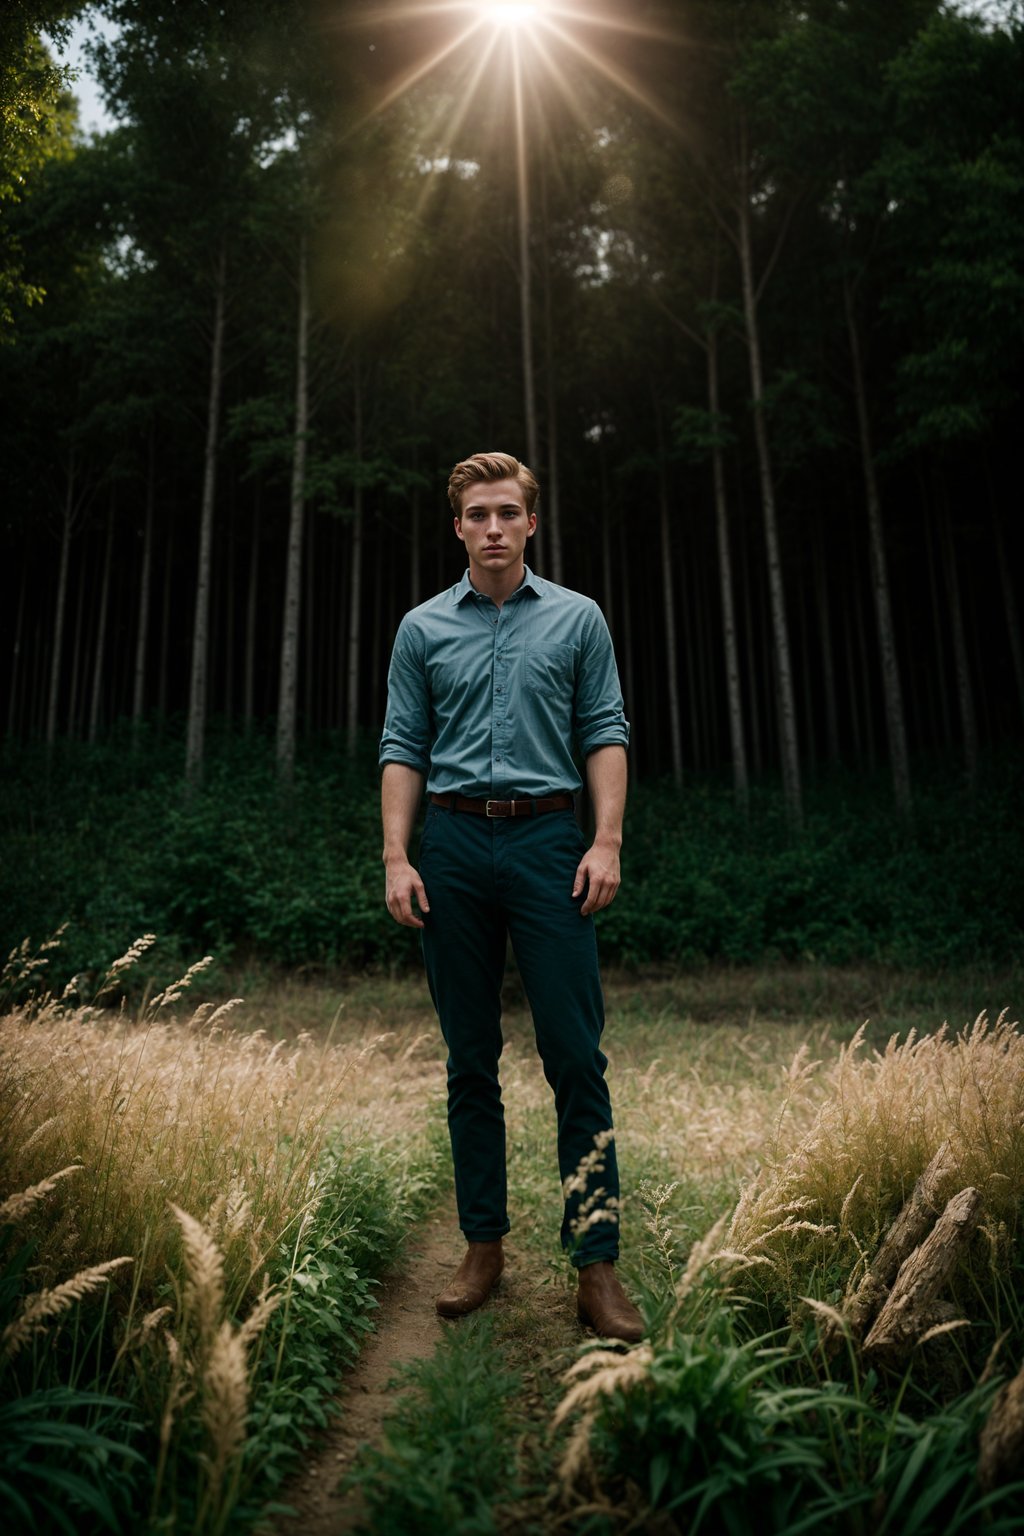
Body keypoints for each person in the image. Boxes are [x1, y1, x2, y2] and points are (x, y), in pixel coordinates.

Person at [379, 450, 643, 1343]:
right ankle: (482, 1247)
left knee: (576, 1055)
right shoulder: (421, 629)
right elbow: (403, 745)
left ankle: (596, 1264)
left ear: (532, 522)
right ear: (456, 527)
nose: (493, 527)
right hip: (451, 846)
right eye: (477, 514)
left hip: (546, 842)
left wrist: (604, 840)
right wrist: (396, 857)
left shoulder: (579, 621)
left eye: (508, 513)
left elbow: (605, 730)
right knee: (469, 1059)